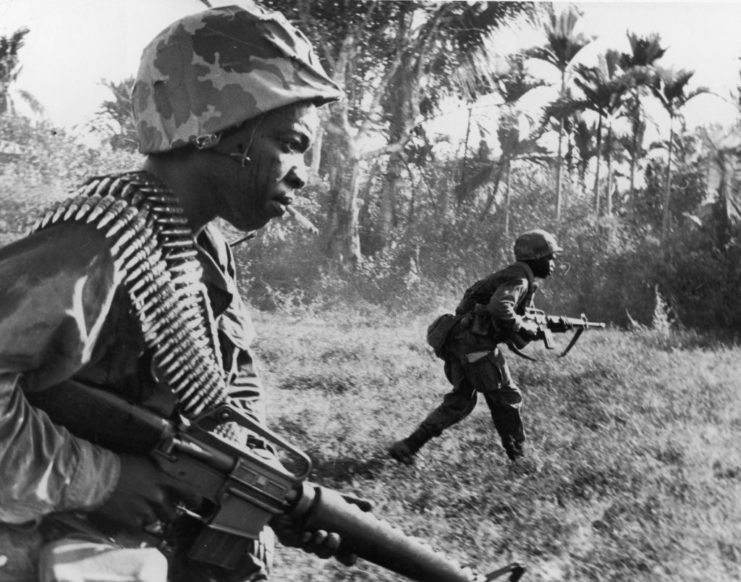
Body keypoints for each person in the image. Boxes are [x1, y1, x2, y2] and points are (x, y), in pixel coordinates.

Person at [0, 4, 349, 581]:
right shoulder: (91, 247)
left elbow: (228, 391)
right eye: (289, 142)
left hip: (151, 539)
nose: (301, 173)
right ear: (214, 124)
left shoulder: (202, 248)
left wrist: (261, 497)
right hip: (47, 544)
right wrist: (102, 477)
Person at [388, 229, 562, 471]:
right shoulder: (519, 279)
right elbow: (500, 308)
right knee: (505, 398)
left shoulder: (514, 276)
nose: (553, 263)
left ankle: (408, 446)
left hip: (460, 340)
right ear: (537, 258)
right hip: (474, 343)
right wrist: (524, 327)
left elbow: (500, 310)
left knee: (461, 400)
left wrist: (545, 325)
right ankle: (520, 460)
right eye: (551, 257)